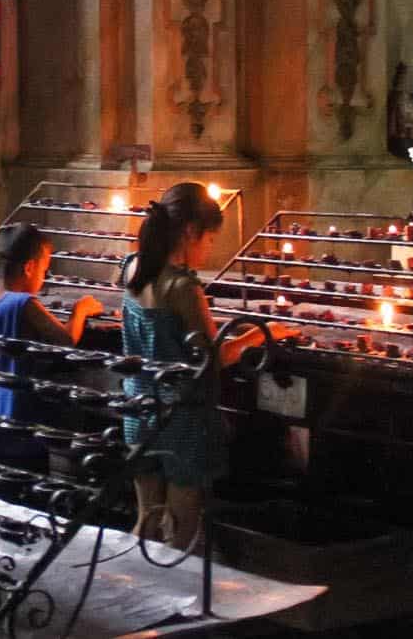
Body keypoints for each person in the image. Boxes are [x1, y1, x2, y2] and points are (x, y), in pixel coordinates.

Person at [119, 182, 291, 551]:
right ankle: (173, 602)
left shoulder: (132, 268)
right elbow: (211, 361)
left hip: (137, 408)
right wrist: (261, 334)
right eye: (210, 239)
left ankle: (130, 598)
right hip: (180, 416)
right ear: (191, 232)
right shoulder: (183, 287)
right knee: (181, 529)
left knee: (146, 517)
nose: (210, 248)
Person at [0, 223, 102, 468]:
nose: (43, 278)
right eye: (44, 270)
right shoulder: (24, 303)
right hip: (19, 432)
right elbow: (66, 340)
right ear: (29, 267)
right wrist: (81, 309)